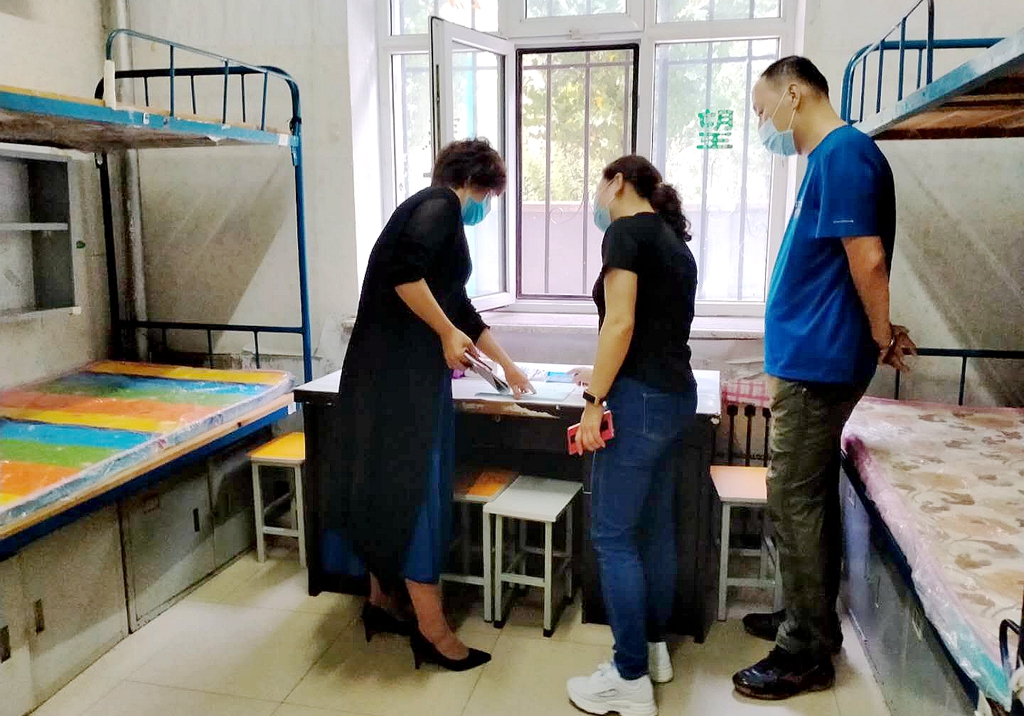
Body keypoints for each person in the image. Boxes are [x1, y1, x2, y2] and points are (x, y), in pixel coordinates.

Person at [733, 56, 916, 700]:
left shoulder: (843, 155)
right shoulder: (828, 160)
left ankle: (805, 652)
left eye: (762, 111)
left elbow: (868, 259)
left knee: (795, 499)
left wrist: (880, 334)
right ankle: (806, 617)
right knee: (806, 497)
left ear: (793, 94)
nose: (764, 125)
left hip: (819, 364)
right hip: (812, 357)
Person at [327, 138, 533, 673]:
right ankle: (434, 632)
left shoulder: (429, 214)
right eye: (489, 195)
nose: (487, 206)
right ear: (478, 182)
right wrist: (444, 333)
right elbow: (404, 274)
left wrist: (508, 366)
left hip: (387, 378)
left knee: (386, 486)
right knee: (415, 489)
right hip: (402, 383)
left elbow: (458, 306)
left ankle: (381, 602)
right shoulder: (440, 204)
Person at [565, 155, 698, 716]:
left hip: (638, 404)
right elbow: (651, 330)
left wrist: (595, 401)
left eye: (600, 185)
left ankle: (628, 677)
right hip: (674, 398)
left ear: (617, 182)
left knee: (613, 536)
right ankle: (653, 650)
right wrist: (598, 373)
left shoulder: (625, 233)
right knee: (654, 531)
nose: (597, 197)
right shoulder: (674, 241)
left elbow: (620, 323)